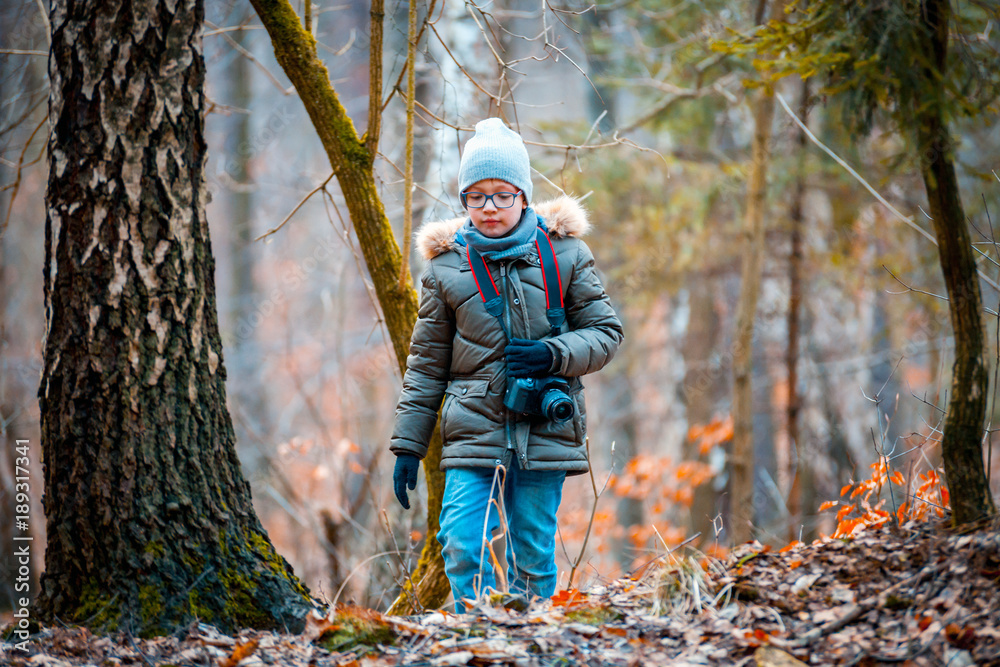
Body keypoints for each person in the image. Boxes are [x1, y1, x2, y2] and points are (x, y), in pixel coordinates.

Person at [389, 118, 623, 610]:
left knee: (533, 553)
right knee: (460, 543)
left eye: (501, 194)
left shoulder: (565, 254)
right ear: (463, 201)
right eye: (476, 196)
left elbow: (607, 334)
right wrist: (408, 445)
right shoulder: (446, 268)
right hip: (473, 427)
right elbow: (426, 365)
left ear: (523, 195)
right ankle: (472, 636)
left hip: (545, 425)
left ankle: (529, 639)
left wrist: (553, 354)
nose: (489, 207)